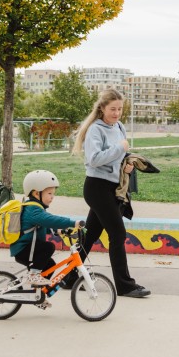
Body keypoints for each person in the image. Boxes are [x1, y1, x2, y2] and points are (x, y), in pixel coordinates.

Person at [72, 89, 151, 298]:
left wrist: (126, 165)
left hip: (112, 187)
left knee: (90, 236)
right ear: (102, 108)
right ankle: (125, 286)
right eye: (112, 109)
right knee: (117, 233)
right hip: (96, 187)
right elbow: (94, 159)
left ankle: (69, 277)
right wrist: (119, 149)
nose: (116, 113)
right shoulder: (95, 130)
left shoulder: (119, 126)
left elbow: (119, 155)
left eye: (120, 109)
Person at [11, 169, 82, 286]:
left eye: (53, 194)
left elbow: (41, 225)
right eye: (49, 193)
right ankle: (33, 275)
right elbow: (50, 220)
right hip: (24, 250)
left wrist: (58, 230)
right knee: (48, 247)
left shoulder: (35, 209)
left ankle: (38, 294)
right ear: (36, 193)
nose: (52, 197)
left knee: (50, 265)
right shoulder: (33, 209)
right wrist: (72, 222)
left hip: (29, 249)